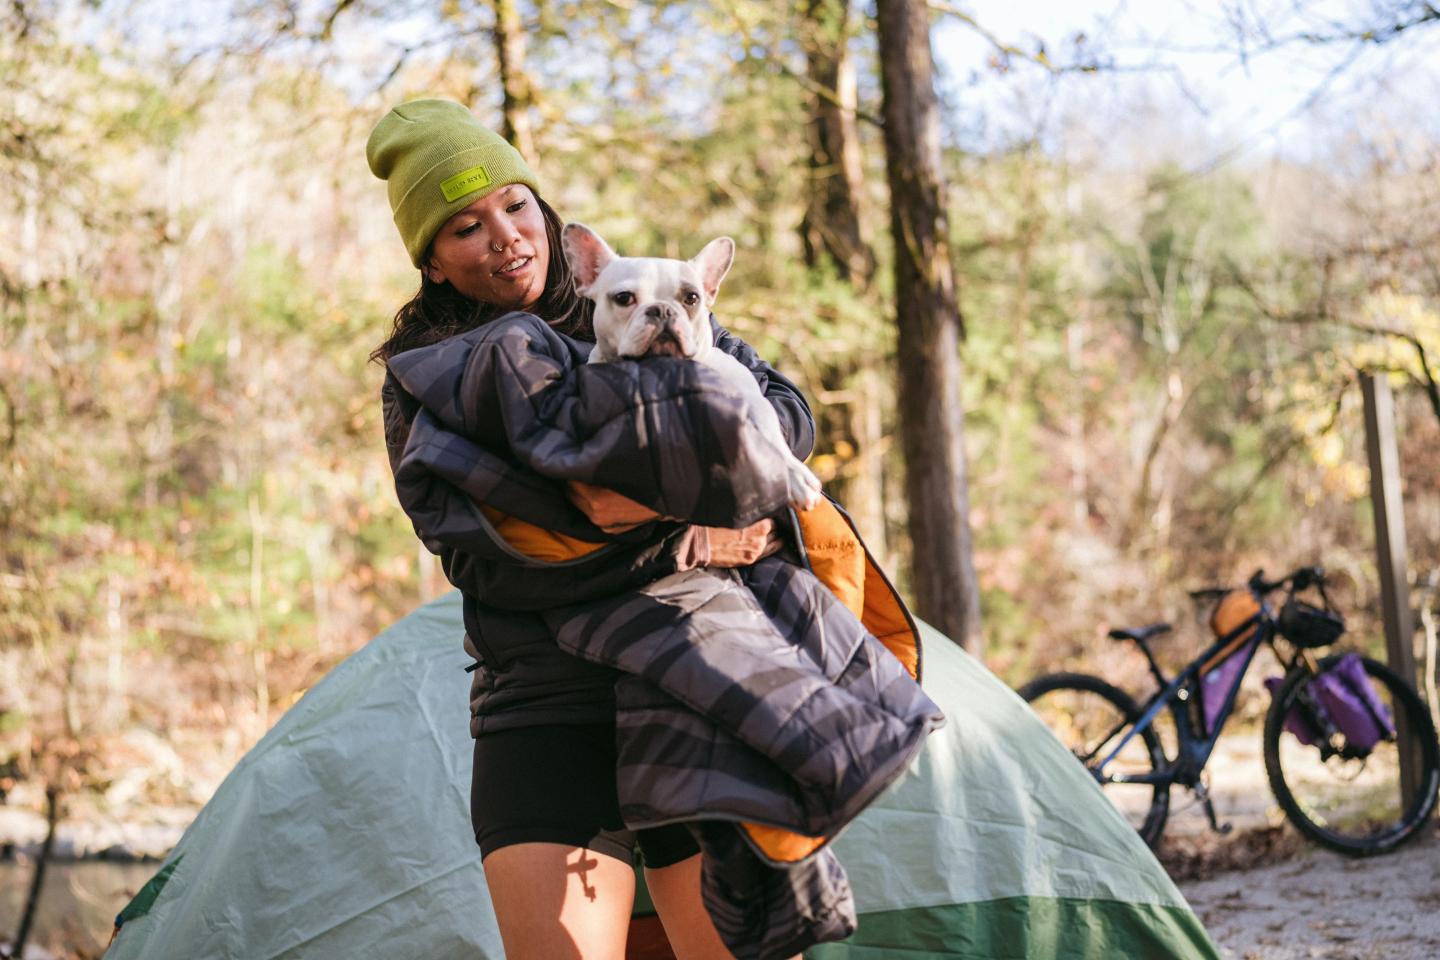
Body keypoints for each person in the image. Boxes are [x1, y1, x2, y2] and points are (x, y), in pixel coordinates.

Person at [366, 99, 815, 960]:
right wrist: (677, 531)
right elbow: (488, 562)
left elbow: (784, 411)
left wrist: (722, 502)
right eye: (466, 225)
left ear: (545, 208)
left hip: (697, 687)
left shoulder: (636, 296)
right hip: (543, 703)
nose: (505, 236)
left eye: (516, 205)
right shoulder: (423, 382)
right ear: (433, 261)